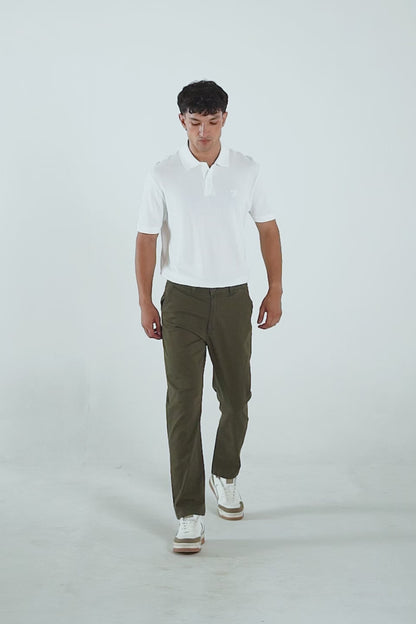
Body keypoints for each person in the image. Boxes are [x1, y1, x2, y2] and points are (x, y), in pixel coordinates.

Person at [135, 80, 282, 554]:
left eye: (212, 122)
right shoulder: (163, 173)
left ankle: (225, 473)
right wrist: (145, 300)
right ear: (182, 120)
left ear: (224, 119)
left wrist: (275, 288)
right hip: (182, 299)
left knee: (237, 398)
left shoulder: (247, 169)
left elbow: (268, 229)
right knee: (184, 402)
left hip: (234, 297)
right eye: (195, 122)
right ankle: (189, 513)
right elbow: (145, 238)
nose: (203, 132)